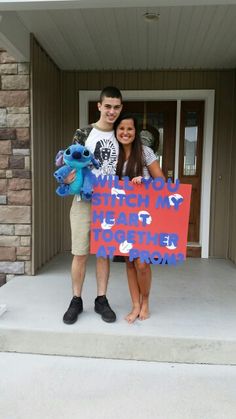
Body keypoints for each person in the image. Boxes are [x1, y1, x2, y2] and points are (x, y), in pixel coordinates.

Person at [63, 86, 123, 324]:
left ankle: (101, 299)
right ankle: (76, 300)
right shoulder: (84, 133)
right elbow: (70, 161)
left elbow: (129, 166)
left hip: (110, 203)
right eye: (107, 106)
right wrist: (67, 177)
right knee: (79, 253)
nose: (112, 111)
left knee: (104, 254)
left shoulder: (121, 134)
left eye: (116, 107)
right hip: (83, 202)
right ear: (99, 106)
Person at [114, 113, 165, 323]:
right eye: (122, 129)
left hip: (144, 216)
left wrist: (145, 183)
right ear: (116, 131)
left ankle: (146, 301)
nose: (125, 133)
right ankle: (135, 305)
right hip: (121, 215)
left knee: (142, 263)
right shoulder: (113, 154)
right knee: (129, 262)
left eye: (130, 129)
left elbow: (161, 182)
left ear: (136, 132)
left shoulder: (145, 152)